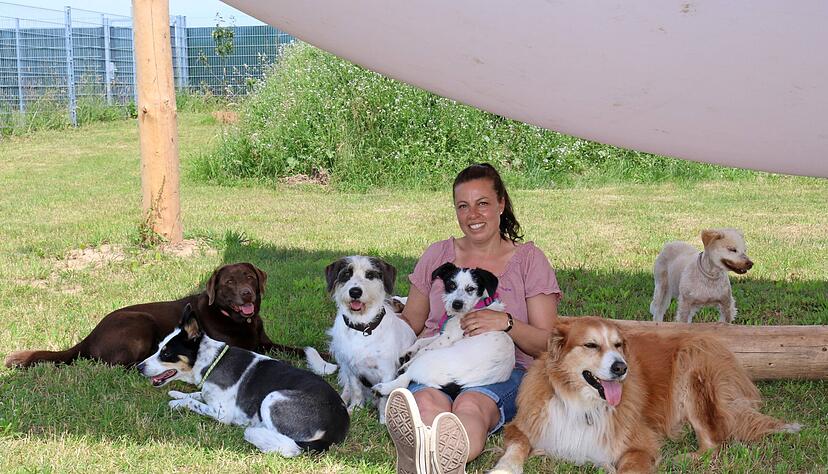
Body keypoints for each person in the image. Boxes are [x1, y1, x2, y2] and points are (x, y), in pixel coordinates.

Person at [385, 163, 561, 474]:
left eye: (482, 204)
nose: (473, 215)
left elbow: (547, 344)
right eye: (463, 206)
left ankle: (444, 455)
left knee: (472, 407)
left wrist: (506, 322)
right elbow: (411, 322)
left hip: (499, 371)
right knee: (427, 401)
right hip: (438, 362)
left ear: (501, 204)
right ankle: (429, 454)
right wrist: (370, 328)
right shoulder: (437, 256)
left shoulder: (529, 261)